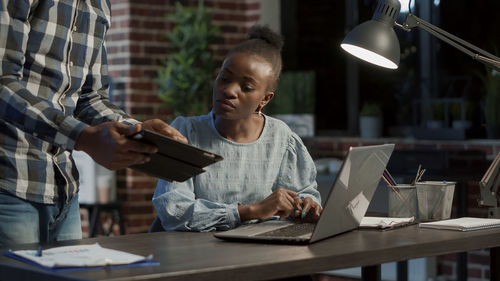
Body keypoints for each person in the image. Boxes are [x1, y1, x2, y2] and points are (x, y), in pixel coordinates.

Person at [0, 1, 187, 246]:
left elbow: (89, 97)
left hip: (63, 189)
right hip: (9, 184)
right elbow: (3, 83)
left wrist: (134, 129)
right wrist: (83, 137)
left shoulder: (99, 4)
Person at [152, 25, 322, 232]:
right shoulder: (184, 133)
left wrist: (306, 204)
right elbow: (174, 212)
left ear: (265, 99)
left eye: (246, 87)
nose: (229, 90)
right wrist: (251, 211)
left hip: (256, 251)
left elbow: (304, 191)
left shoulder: (281, 138)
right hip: (194, 256)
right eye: (224, 78)